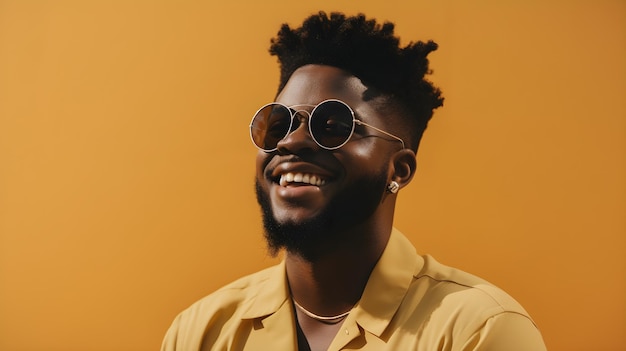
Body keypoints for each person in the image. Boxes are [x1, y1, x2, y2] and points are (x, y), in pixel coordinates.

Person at [161, 11, 547, 351]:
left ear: (399, 170)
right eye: (278, 124)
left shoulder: (478, 331)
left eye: (334, 126)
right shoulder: (201, 332)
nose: (292, 141)